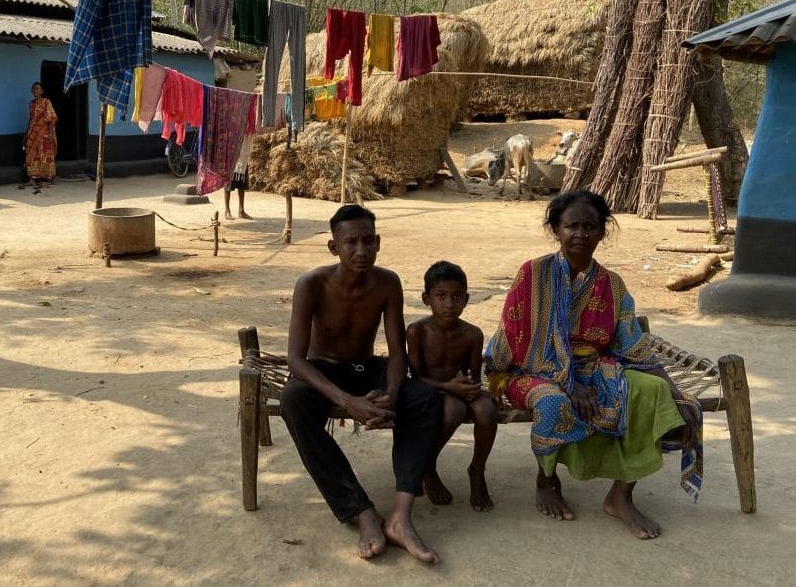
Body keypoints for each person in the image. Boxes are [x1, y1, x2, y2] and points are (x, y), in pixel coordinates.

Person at [487, 190, 703, 540]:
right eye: (572, 225)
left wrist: (676, 390)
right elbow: (515, 341)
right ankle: (546, 479)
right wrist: (567, 383)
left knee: (653, 393)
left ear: (603, 232)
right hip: (528, 371)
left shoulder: (611, 285)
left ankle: (620, 495)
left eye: (590, 226)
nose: (581, 234)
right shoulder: (532, 273)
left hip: (592, 369)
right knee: (553, 402)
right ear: (556, 229)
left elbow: (634, 345)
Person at [282, 204, 442, 562]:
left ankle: (400, 515)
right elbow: (295, 359)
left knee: (424, 398)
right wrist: (347, 401)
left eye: (368, 241)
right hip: (323, 370)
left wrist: (392, 393)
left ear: (379, 242)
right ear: (333, 247)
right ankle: (360, 511)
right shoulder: (311, 284)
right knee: (294, 400)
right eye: (351, 242)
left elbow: (397, 352)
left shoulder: (387, 282)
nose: (361, 251)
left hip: (366, 367)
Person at [406, 261, 497, 512]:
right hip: (431, 392)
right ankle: (428, 466)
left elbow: (473, 376)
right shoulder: (417, 331)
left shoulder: (472, 334)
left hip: (461, 391)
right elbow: (416, 377)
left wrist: (472, 389)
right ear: (427, 298)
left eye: (457, 297)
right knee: (454, 409)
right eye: (441, 296)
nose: (449, 304)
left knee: (487, 410)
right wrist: (449, 387)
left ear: (466, 299)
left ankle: (477, 470)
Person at [22, 82, 58, 190]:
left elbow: (52, 117)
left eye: (37, 88)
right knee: (31, 154)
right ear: (31, 91)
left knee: (46, 155)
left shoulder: (46, 102)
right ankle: (32, 178)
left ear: (41, 91)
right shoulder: (31, 103)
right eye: (33, 89)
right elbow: (31, 119)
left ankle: (49, 178)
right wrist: (26, 133)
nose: (35, 90)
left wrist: (51, 134)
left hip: (45, 134)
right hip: (32, 133)